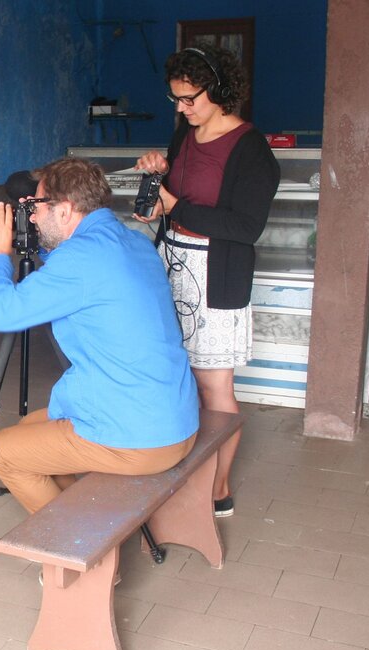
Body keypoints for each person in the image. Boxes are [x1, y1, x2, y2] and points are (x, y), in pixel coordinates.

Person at [0, 157, 200, 515]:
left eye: (37, 206)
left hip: (142, 435)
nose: (32, 217)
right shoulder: (133, 241)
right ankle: (84, 517)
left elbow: (2, 314)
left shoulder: (78, 261)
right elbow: (78, 274)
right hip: (174, 415)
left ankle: (76, 545)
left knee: (3, 452)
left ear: (65, 210)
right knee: (29, 426)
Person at [134, 45, 280, 517]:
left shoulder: (251, 150)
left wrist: (178, 207)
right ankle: (182, 470)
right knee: (178, 374)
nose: (181, 108)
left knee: (214, 385)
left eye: (189, 98)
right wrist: (158, 181)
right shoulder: (186, 134)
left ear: (217, 90)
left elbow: (246, 227)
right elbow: (175, 198)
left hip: (217, 274)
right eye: (175, 99)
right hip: (173, 264)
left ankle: (218, 487)